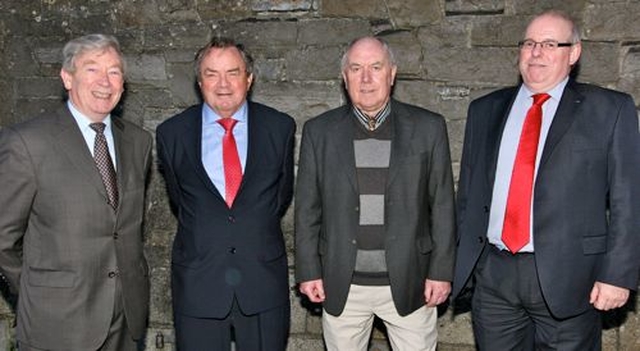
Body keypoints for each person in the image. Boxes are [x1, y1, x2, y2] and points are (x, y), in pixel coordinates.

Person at [452, 10, 640, 351]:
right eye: (530, 43)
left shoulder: (609, 109)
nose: (536, 52)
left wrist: (617, 275)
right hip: (494, 277)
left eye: (551, 43)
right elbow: (468, 194)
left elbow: (630, 200)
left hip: (570, 278)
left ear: (574, 53)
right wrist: (463, 264)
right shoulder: (485, 110)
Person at [295, 36, 456, 351]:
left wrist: (441, 271)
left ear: (392, 74)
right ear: (345, 78)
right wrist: (308, 269)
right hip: (342, 283)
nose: (366, 78)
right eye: (356, 68)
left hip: (412, 281)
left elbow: (443, 205)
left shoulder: (428, 128)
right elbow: (307, 209)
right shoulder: (319, 131)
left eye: (375, 67)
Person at [0, 34, 152, 350]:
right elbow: (2, 238)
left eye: (114, 72)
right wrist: (36, 292)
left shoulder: (138, 142)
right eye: (92, 69)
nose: (105, 82)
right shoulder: (28, 143)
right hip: (57, 323)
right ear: (67, 77)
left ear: (123, 84)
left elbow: (124, 231)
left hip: (126, 321)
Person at [156, 37, 295, 351]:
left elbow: (279, 197)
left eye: (232, 72)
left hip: (262, 285)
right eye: (211, 73)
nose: (223, 84)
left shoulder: (280, 128)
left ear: (249, 78)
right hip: (199, 285)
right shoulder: (171, 133)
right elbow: (181, 199)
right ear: (199, 80)